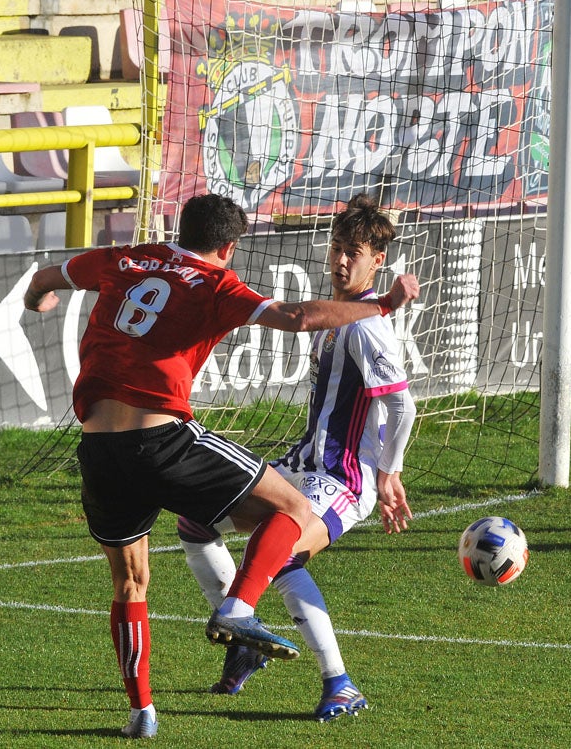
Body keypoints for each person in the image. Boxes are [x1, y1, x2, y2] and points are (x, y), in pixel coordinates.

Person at [22, 193, 419, 739]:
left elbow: (46, 276)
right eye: (337, 248)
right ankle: (243, 617)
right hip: (160, 439)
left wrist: (37, 297)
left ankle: (143, 712)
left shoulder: (126, 257)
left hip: (96, 451)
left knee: (130, 585)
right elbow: (295, 316)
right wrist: (386, 303)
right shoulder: (214, 283)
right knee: (289, 511)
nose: (340, 260)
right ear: (230, 247)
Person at [177, 194, 415, 722]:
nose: (340, 260)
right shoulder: (339, 314)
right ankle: (241, 639)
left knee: (281, 552)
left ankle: (340, 682)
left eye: (353, 252)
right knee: (195, 520)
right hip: (302, 462)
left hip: (343, 478)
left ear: (377, 260)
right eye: (336, 248)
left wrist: (389, 472)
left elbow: (402, 406)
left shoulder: (368, 327)